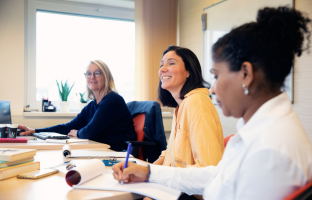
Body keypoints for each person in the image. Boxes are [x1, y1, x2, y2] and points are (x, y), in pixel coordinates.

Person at [112, 7, 312, 199]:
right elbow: (216, 175)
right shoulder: (266, 128)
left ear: (246, 74)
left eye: (216, 76)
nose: (213, 89)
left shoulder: (269, 150)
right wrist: (149, 172)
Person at [19, 60, 137, 151]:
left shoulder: (113, 100)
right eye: (88, 74)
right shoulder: (92, 105)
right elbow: (67, 127)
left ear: (106, 77)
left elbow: (89, 132)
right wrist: (34, 130)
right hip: (101, 149)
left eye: (97, 73)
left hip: (118, 153)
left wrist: (77, 132)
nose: (92, 77)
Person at [153, 45, 224, 168]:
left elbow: (208, 167)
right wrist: (147, 170)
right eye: (161, 65)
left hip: (187, 186)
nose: (162, 69)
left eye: (171, 63)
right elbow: (170, 154)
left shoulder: (196, 102)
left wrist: (152, 174)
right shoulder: (181, 106)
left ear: (188, 72)